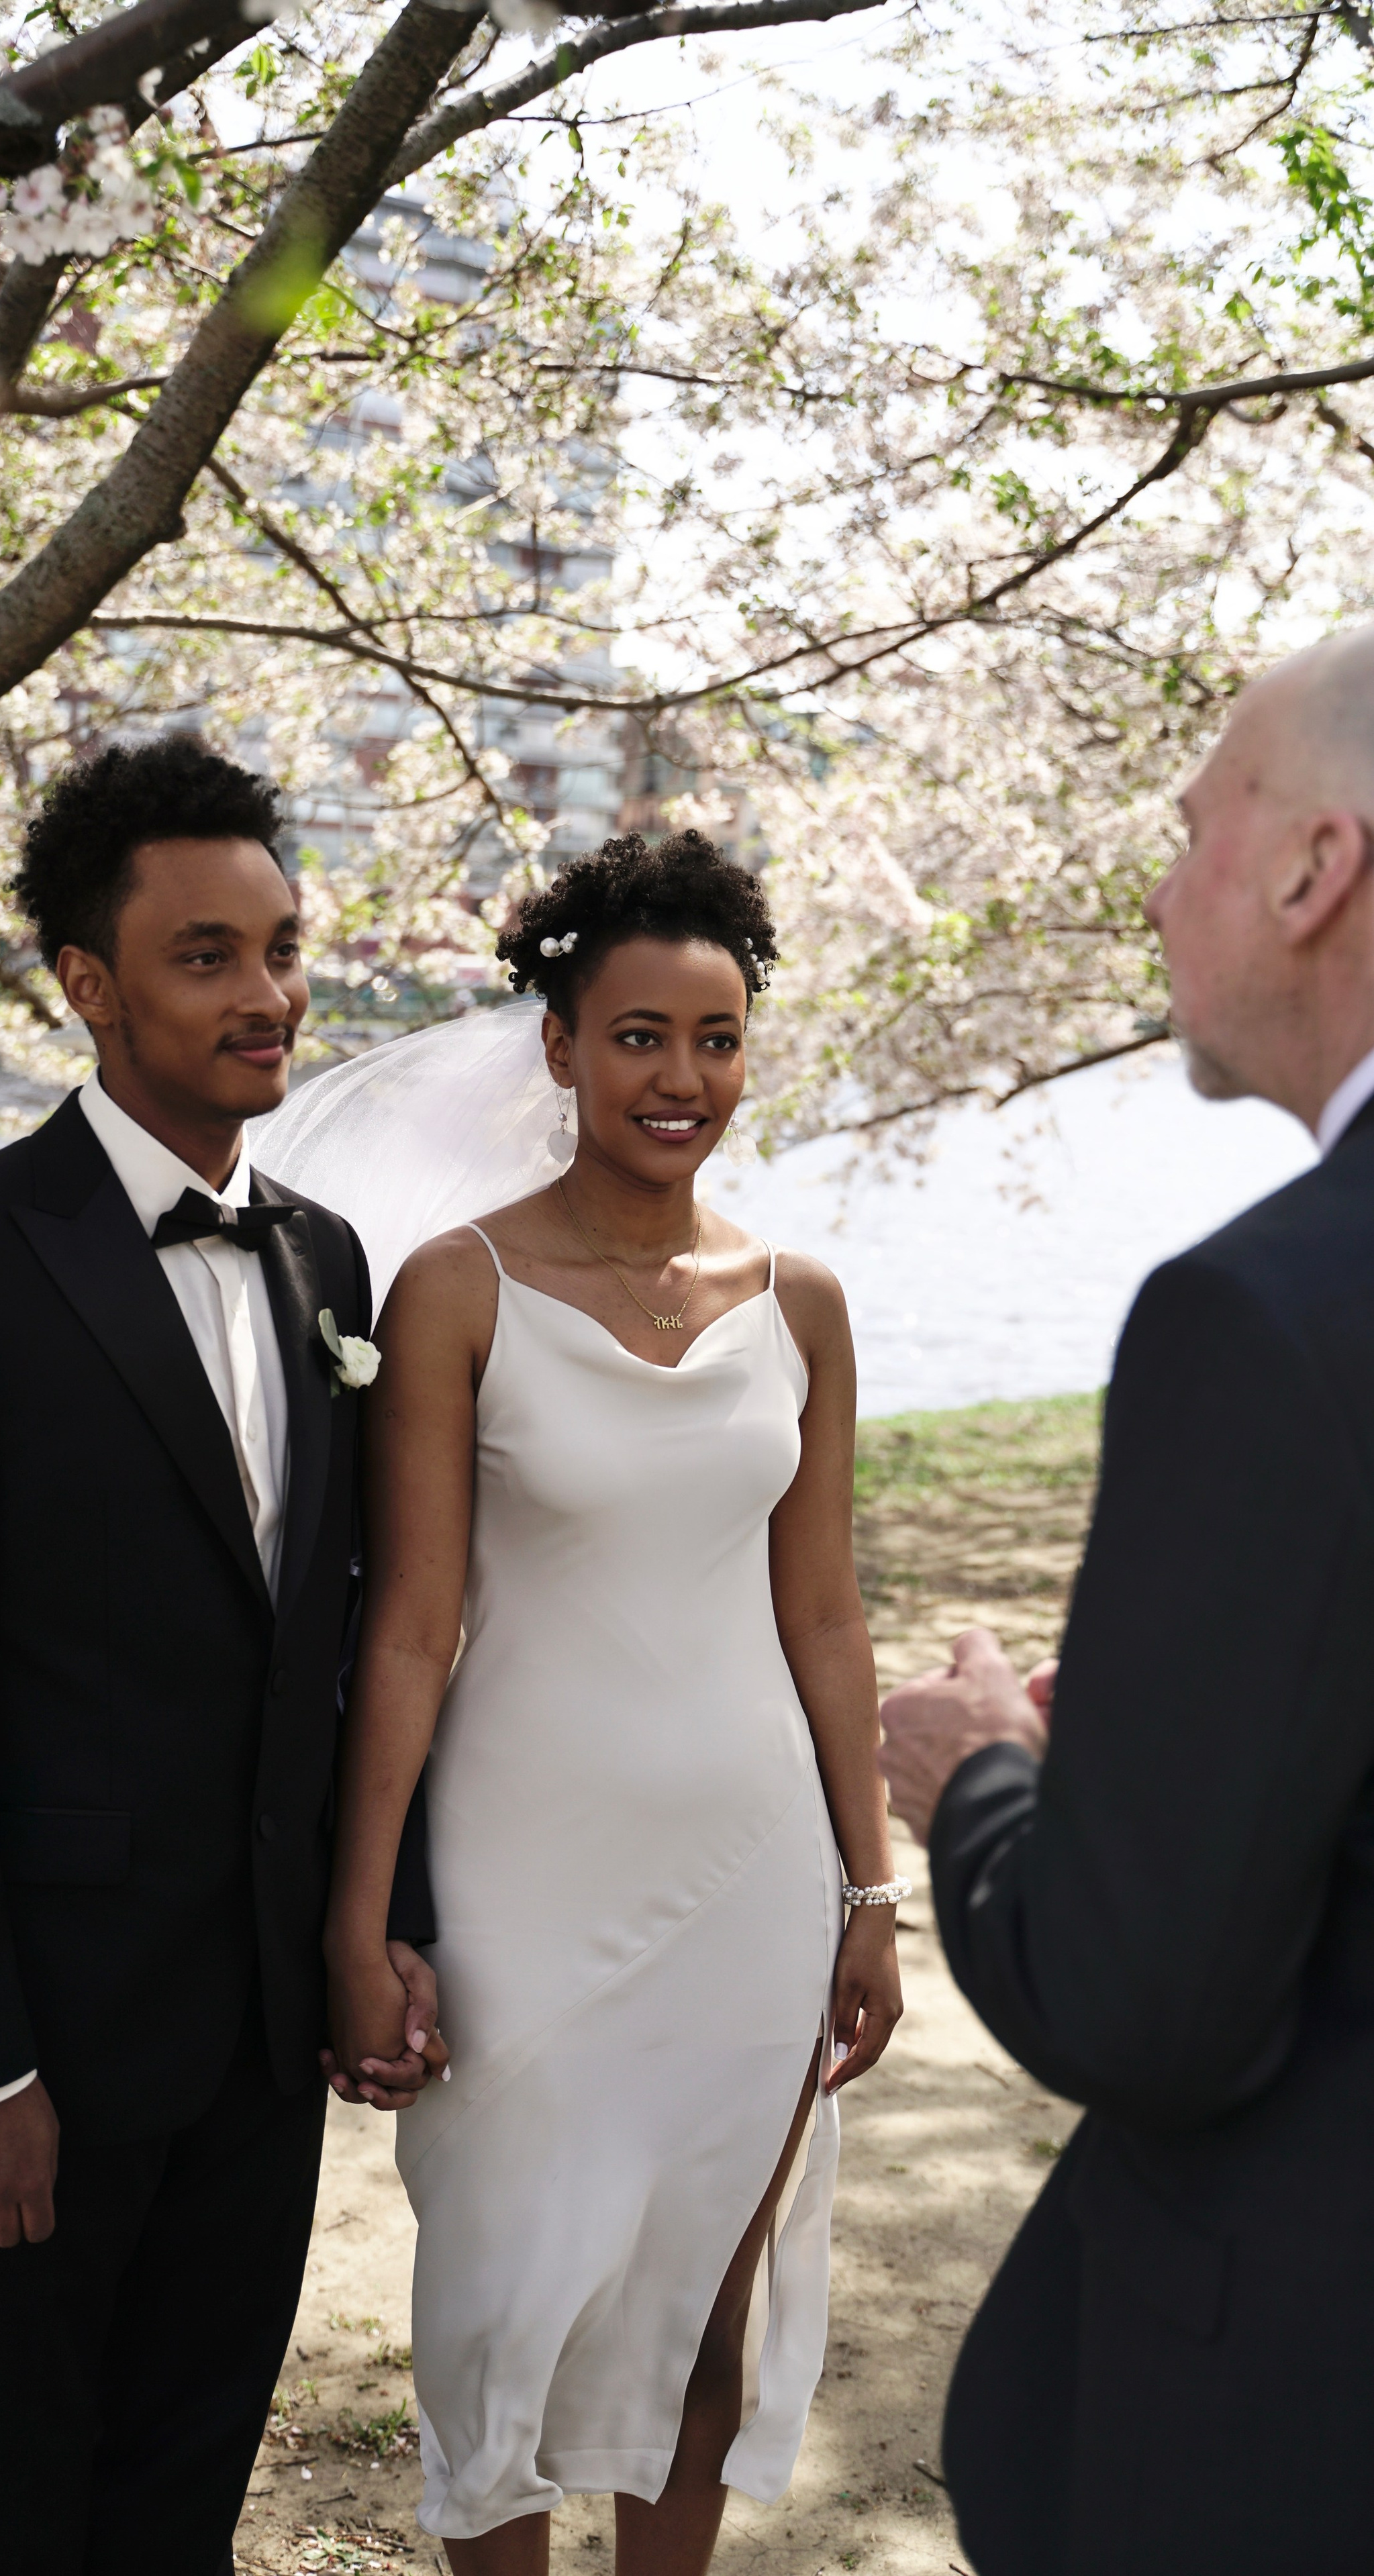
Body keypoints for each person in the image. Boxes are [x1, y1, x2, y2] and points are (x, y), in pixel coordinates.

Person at [0, 736, 441, 2576]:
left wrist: (387, 1923)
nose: (272, 996)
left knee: (174, 2521)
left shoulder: (329, 1264)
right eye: (210, 956)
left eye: (286, 947)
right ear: (91, 988)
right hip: (28, 2066)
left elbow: (345, 1640)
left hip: (247, 2055)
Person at [320, 831, 904, 2576]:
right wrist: (362, 1923)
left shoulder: (800, 1302)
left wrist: (872, 1895)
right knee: (497, 2314)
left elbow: (825, 1617)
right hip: (522, 1890)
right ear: (561, 1043)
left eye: (715, 1039)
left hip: (754, 1884)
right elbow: (412, 1630)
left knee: (698, 2331)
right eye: (639, 1035)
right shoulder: (458, 1291)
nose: (681, 1078)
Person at [878, 628, 1374, 2575]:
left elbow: (1144, 2004)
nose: (1159, 894)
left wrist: (986, 1784)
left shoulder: (1265, 1317)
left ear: (1314, 869)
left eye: (1190, 835)